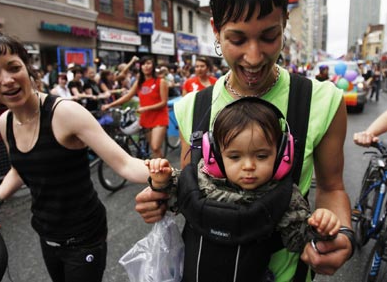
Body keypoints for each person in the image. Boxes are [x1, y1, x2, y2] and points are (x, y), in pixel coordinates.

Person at [135, 0, 353, 281]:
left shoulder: (322, 102)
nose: (253, 57)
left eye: (268, 36)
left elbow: (332, 187)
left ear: (285, 22)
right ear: (215, 30)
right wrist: (158, 197)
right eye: (237, 40)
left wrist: (341, 232)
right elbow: (190, 190)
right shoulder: (193, 108)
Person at [0, 29, 150, 282]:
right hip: (46, 233)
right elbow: (18, 169)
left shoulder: (66, 113)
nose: (7, 80)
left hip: (84, 237)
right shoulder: (6, 121)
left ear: (27, 68)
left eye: (13, 67)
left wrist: (173, 176)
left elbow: (126, 164)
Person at [146, 98, 341, 280]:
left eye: (262, 156)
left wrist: (320, 228)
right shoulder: (201, 180)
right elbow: (173, 200)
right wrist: (162, 181)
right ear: (216, 156)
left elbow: (297, 240)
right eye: (235, 157)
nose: (248, 166)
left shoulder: (283, 196)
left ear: (282, 154)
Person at [102, 56, 169, 158]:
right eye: (143, 64)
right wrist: (109, 105)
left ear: (153, 65)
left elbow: (164, 102)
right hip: (146, 119)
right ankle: (158, 170)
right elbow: (127, 97)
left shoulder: (161, 82)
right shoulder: (139, 82)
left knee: (155, 147)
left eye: (148, 63)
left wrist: (146, 108)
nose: (146, 66)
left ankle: (166, 171)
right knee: (153, 150)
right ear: (140, 67)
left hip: (159, 117)